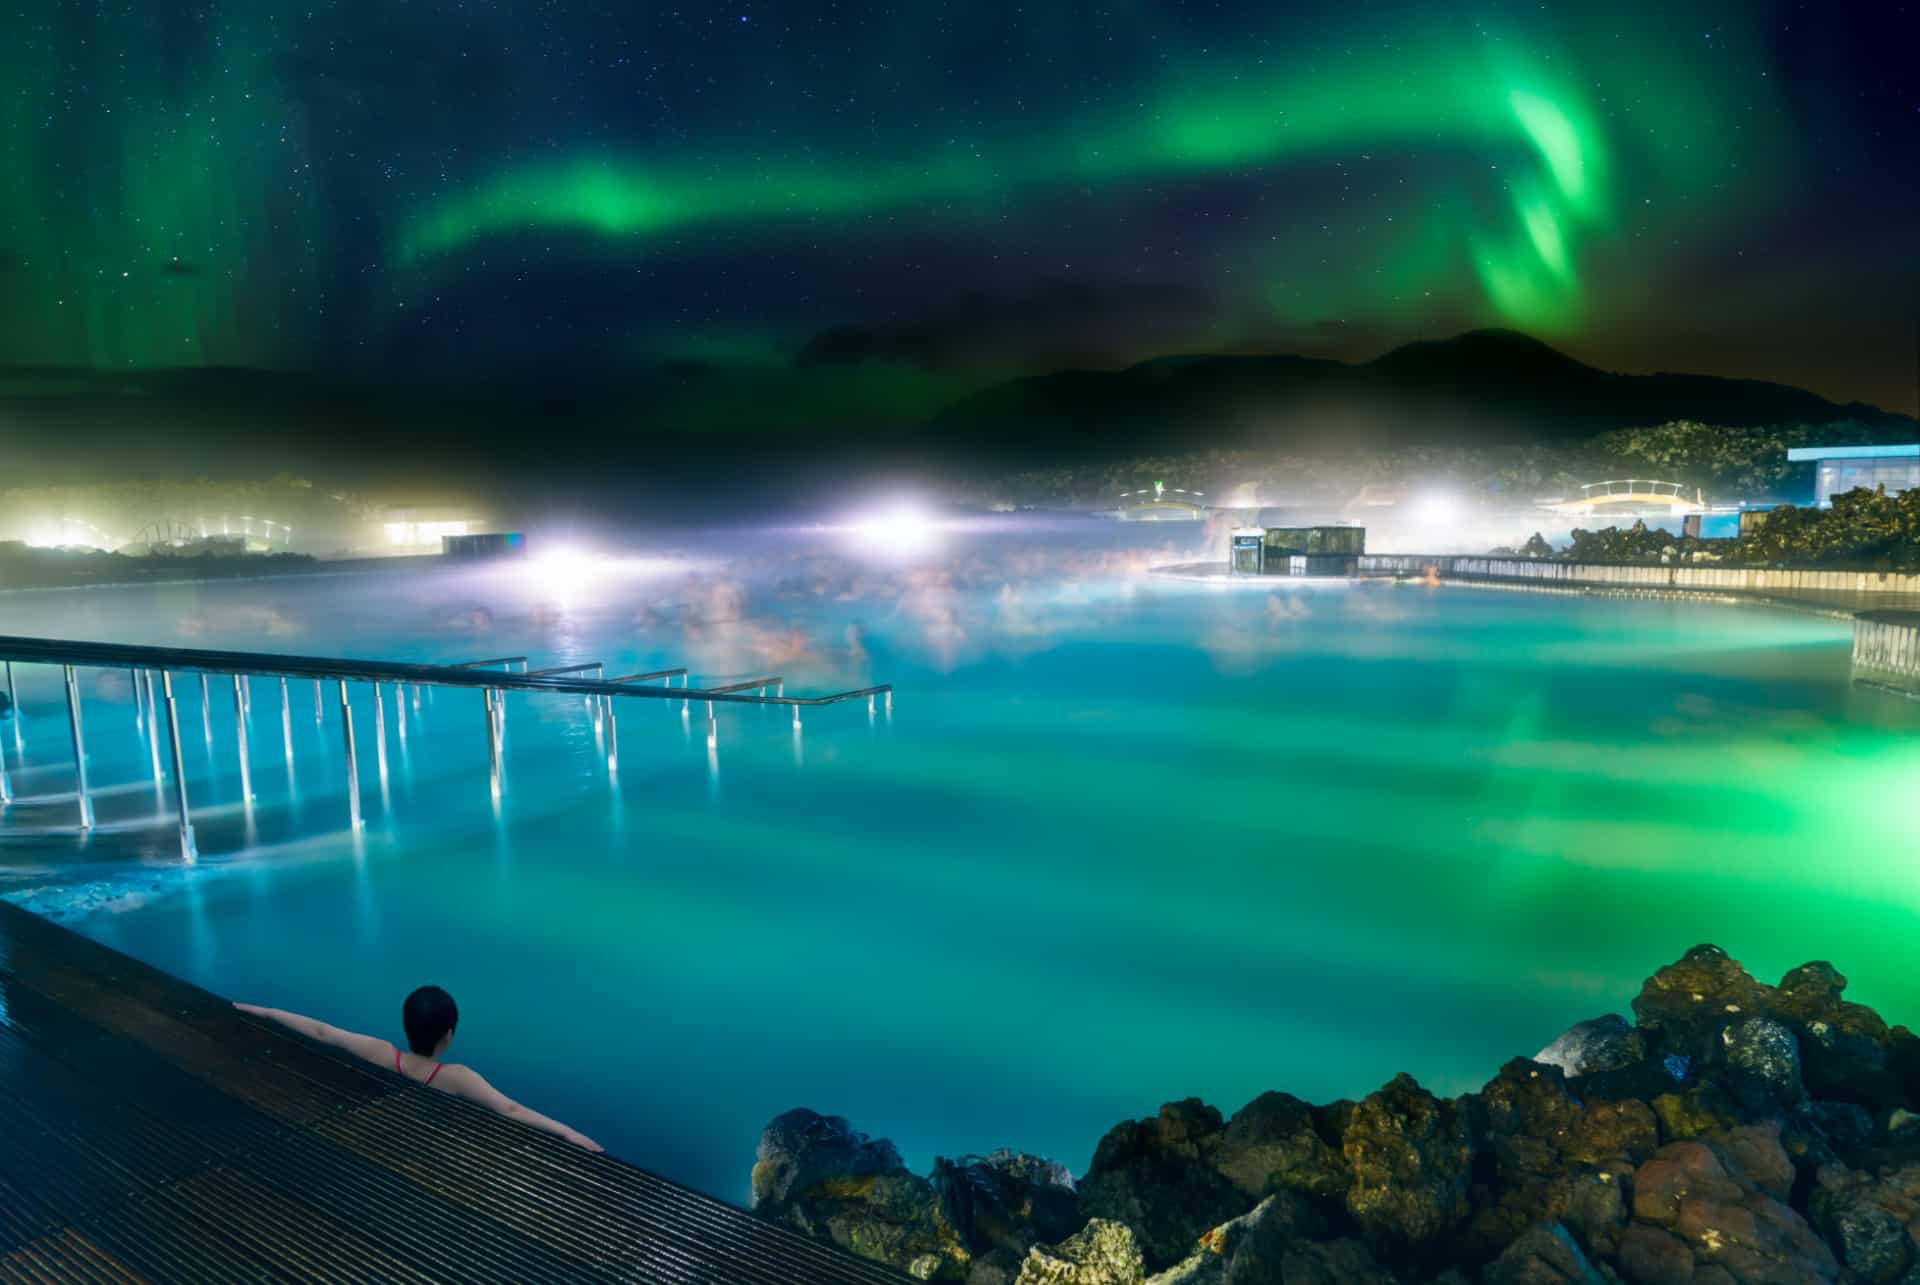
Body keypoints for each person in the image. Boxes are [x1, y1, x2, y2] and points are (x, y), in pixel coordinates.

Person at [234, 985, 602, 1151]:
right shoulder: (456, 1078)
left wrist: (261, 1012)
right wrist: (568, 1133)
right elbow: (508, 1109)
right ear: (449, 1035)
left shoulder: (380, 1052)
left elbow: (321, 1031)